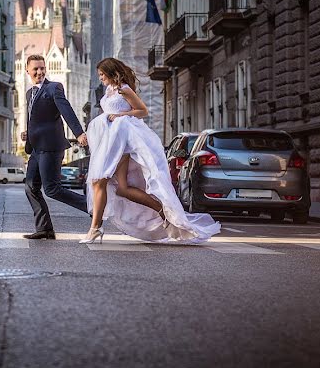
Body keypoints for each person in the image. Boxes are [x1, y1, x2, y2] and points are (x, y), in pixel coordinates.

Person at [81, 58, 220, 244]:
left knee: (99, 180)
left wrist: (120, 116)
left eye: (102, 75)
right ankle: (162, 210)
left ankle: (95, 228)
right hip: (109, 141)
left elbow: (142, 111)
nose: (101, 78)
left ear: (111, 72)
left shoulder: (124, 89)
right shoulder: (108, 91)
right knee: (122, 189)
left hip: (121, 142)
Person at [20, 54, 89, 239]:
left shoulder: (54, 88)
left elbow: (66, 110)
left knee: (52, 189)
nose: (39, 72)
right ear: (27, 70)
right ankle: (45, 229)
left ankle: (92, 207)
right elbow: (33, 118)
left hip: (51, 147)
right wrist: (28, 133)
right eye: (35, 69)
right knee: (30, 187)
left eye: (42, 68)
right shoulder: (29, 93)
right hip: (35, 147)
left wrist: (79, 133)